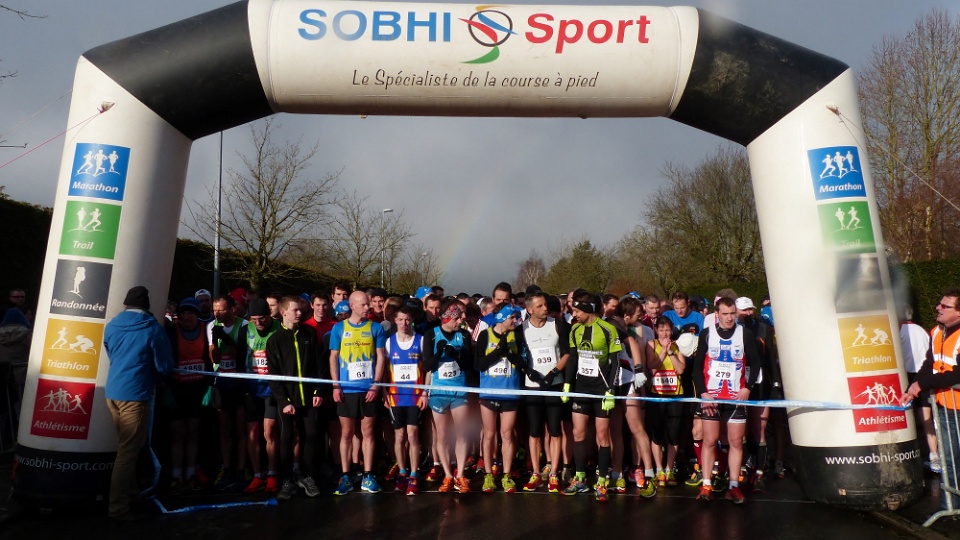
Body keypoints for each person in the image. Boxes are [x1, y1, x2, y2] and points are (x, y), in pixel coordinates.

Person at [103, 286, 173, 520]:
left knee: (127, 447)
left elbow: (110, 352)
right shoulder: (151, 328)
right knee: (128, 452)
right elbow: (164, 365)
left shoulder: (112, 325)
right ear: (147, 305)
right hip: (136, 393)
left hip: (113, 391)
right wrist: (159, 379)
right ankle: (118, 508)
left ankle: (132, 495)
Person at [692, 297, 761, 504]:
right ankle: (706, 485)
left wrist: (748, 388)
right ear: (717, 314)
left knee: (736, 442)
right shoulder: (706, 334)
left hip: (735, 397)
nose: (729, 318)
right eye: (725, 314)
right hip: (712, 397)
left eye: (732, 313)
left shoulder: (745, 334)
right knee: (710, 440)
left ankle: (733, 486)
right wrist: (703, 393)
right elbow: (696, 368)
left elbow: (755, 363)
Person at [901, 288, 960, 509]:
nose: (938, 308)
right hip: (945, 405)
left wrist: (923, 384)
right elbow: (929, 364)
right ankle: (951, 507)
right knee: (949, 460)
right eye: (939, 303)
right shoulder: (936, 331)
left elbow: (957, 374)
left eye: (945, 306)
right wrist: (913, 386)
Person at [561, 291, 622, 502]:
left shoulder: (607, 329)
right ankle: (579, 479)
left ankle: (602, 480)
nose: (574, 315)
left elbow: (615, 362)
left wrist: (611, 390)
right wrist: (567, 384)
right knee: (578, 433)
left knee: (602, 436)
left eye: (577, 311)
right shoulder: (575, 329)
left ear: (588, 310)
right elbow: (572, 358)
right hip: (581, 387)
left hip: (601, 389)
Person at [266, 296, 326, 500]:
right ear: (284, 312)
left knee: (312, 434)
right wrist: (284, 401)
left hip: (309, 396)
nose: (299, 313)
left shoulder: (309, 333)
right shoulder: (274, 340)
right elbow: (273, 375)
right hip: (287, 399)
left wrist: (319, 391)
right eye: (295, 310)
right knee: (286, 437)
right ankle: (287, 480)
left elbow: (319, 364)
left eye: (300, 310)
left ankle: (307, 476)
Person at [329, 291, 387, 495]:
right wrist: (336, 386)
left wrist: (376, 385)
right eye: (363, 304)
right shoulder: (339, 328)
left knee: (368, 432)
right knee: (347, 433)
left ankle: (368, 475)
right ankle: (346, 475)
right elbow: (333, 357)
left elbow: (381, 357)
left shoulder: (376, 328)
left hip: (368, 388)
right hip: (347, 389)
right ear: (352, 306)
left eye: (367, 304)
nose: (367, 307)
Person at [422, 300, 474, 493]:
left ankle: (460, 474)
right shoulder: (431, 335)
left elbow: (468, 365)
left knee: (461, 433)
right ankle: (447, 475)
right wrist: (438, 354)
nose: (461, 321)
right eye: (457, 318)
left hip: (459, 389)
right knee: (442, 435)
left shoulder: (464, 335)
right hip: (438, 391)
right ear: (447, 318)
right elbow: (427, 365)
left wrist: (456, 355)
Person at [519, 291, 569, 493]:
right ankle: (536, 473)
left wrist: (554, 372)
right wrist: (527, 371)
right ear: (530, 309)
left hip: (554, 385)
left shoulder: (557, 325)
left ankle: (554, 473)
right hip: (532, 386)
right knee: (534, 431)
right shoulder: (522, 329)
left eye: (545, 304)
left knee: (555, 430)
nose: (545, 308)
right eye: (539, 306)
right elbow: (519, 357)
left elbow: (567, 353)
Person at [475, 304, 525, 493]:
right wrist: (497, 352)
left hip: (510, 392)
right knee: (489, 434)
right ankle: (488, 474)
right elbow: (478, 364)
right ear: (502, 318)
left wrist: (509, 354)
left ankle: (506, 474)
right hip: (489, 392)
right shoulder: (485, 335)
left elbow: (522, 362)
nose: (515, 321)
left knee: (507, 434)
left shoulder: (516, 335)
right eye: (512, 317)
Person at [384, 305, 427, 495]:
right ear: (395, 321)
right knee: (400, 436)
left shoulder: (421, 340)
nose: (404, 323)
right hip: (395, 396)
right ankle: (402, 472)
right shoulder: (389, 342)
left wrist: (425, 392)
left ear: (412, 321)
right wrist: (384, 392)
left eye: (407, 319)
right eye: (401, 319)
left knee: (413, 435)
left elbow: (428, 369)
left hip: (415, 396)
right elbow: (384, 369)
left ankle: (414, 474)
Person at [242, 299, 282, 494]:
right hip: (251, 388)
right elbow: (238, 355)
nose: (258, 323)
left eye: (262, 318)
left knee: (269, 432)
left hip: (271, 388)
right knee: (252, 433)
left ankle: (272, 474)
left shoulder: (279, 329)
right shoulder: (246, 330)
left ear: (269, 315)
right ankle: (258, 475)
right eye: (254, 319)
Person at [645, 316, 685, 487]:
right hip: (657, 393)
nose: (664, 333)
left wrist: (671, 352)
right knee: (657, 432)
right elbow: (652, 367)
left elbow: (681, 369)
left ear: (672, 330)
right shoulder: (651, 344)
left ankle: (669, 469)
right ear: (656, 330)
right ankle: (659, 469)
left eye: (667, 329)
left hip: (675, 394)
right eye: (661, 330)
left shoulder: (677, 345)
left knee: (673, 433)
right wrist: (662, 351)